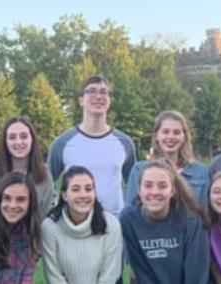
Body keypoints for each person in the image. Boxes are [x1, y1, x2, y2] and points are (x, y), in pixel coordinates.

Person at [48, 75, 137, 216]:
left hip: (114, 225)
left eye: (103, 92)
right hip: (75, 225)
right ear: (81, 100)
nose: (98, 96)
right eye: (91, 91)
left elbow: (134, 186)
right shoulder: (62, 143)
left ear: (110, 100)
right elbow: (47, 184)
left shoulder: (125, 143)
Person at [121, 160, 209, 284]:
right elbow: (139, 270)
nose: (155, 192)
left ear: (172, 191)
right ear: (139, 190)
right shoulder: (128, 221)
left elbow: (196, 276)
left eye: (162, 186)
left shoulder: (191, 221)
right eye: (148, 185)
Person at [41, 166, 123, 284]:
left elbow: (109, 276)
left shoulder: (111, 225)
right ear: (64, 195)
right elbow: (54, 277)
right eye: (75, 189)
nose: (83, 195)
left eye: (88, 189)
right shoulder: (50, 227)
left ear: (95, 193)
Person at [0, 117, 55, 217]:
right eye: (12, 137)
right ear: (5, 141)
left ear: (32, 140)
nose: (18, 142)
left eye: (23, 136)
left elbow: (47, 219)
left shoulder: (44, 175)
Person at [126, 110, 209, 207]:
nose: (171, 137)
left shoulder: (200, 172)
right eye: (165, 132)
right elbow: (130, 211)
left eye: (176, 132)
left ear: (184, 137)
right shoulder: (139, 170)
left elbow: (205, 214)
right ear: (157, 136)